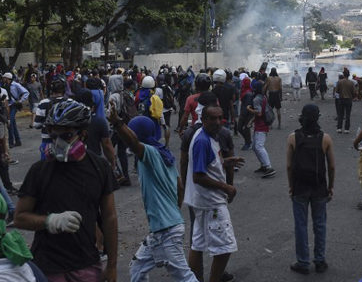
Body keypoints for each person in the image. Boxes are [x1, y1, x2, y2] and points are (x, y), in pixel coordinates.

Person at [15, 100, 118, 282]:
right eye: (54, 136)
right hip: (47, 267)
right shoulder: (39, 170)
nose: (58, 142)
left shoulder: (100, 168)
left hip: (86, 264)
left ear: (83, 135)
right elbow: (20, 217)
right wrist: (50, 221)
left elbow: (109, 217)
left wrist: (111, 266)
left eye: (67, 135)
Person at [106, 106, 196, 281]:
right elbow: (179, 188)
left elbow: (133, 143)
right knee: (137, 270)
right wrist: (173, 213)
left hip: (167, 230)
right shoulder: (165, 154)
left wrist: (117, 123)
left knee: (184, 277)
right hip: (162, 229)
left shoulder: (151, 154)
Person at [184, 104, 245, 282]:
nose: (218, 122)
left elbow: (206, 165)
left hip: (201, 201)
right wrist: (227, 187)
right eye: (213, 118)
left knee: (198, 244)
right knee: (225, 247)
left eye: (220, 118)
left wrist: (225, 161)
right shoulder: (202, 140)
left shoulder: (208, 137)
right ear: (203, 119)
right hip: (211, 203)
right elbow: (198, 176)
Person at [286, 104, 335, 275]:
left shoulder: (293, 137)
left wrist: (291, 186)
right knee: (320, 224)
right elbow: (332, 166)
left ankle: (303, 262)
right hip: (319, 187)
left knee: (300, 225)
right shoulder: (325, 138)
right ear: (317, 117)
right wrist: (330, 187)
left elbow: (289, 166)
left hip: (300, 187)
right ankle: (320, 261)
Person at [246, 81, 276, 178]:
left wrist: (248, 109)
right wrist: (252, 121)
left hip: (261, 126)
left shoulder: (256, 99)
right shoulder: (263, 97)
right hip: (261, 124)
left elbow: (259, 113)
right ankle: (263, 166)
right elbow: (261, 112)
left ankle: (268, 167)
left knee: (258, 146)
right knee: (255, 146)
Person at [2, 72, 29, 148]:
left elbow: (26, 92)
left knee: (9, 122)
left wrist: (20, 101)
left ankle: (11, 142)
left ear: (7, 78)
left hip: (14, 105)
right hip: (8, 105)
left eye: (4, 78)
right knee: (12, 124)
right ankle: (18, 141)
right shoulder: (4, 85)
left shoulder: (15, 84)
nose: (3, 79)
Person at [336, 69, 356, 134]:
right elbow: (354, 92)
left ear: (343, 74)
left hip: (341, 99)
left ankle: (339, 128)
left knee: (340, 114)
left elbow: (337, 91)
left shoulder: (339, 82)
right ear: (349, 75)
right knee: (348, 115)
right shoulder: (351, 82)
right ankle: (346, 129)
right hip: (349, 100)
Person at [237, 78, 254, 151]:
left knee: (243, 128)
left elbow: (247, 106)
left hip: (246, 114)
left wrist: (243, 115)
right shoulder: (246, 91)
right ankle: (248, 141)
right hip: (245, 113)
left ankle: (248, 143)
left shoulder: (248, 93)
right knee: (242, 128)